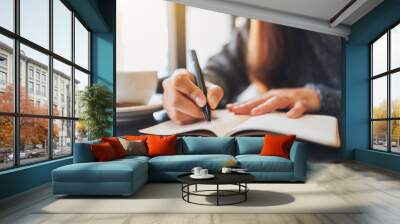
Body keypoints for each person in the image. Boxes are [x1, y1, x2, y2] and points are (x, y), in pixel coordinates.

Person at [162, 20, 341, 125]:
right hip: (287, 151)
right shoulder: (262, 22)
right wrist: (195, 89)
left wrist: (321, 98)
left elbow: (369, 95)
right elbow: (221, 69)